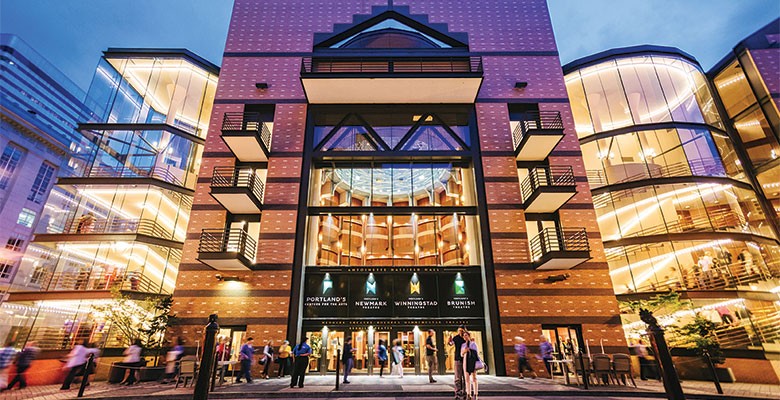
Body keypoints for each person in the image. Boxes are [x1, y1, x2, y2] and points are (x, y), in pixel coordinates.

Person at [461, 331, 480, 400]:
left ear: (469, 336)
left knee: (474, 378)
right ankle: (468, 394)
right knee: (467, 379)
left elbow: (476, 353)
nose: (465, 337)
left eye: (466, 335)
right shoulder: (463, 345)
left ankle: (475, 394)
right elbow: (461, 354)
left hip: (472, 362)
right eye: (464, 336)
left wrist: (470, 350)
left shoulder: (473, 344)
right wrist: (465, 351)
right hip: (465, 362)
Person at [449, 325, 467, 400]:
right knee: (457, 377)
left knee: (465, 377)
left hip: (466, 359)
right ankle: (457, 392)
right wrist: (449, 341)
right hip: (457, 359)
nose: (460, 332)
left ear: (464, 330)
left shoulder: (466, 337)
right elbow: (451, 343)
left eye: (461, 330)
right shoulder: (456, 338)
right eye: (459, 330)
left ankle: (465, 391)